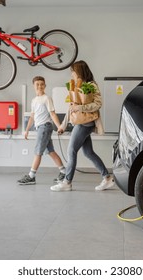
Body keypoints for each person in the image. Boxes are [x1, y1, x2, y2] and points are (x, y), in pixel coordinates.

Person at [50, 60, 115, 192]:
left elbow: (98, 104)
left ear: (79, 71)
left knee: (71, 151)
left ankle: (67, 182)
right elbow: (71, 108)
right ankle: (107, 178)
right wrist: (63, 125)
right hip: (79, 122)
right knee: (88, 152)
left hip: (86, 123)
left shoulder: (91, 85)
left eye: (73, 71)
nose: (72, 74)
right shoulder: (76, 86)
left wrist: (81, 107)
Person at [18, 76, 66, 185]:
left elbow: (52, 113)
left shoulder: (46, 98)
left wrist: (59, 126)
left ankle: (31, 176)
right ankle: (64, 172)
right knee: (50, 151)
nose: (40, 86)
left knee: (37, 152)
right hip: (40, 127)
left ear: (45, 85)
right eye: (37, 84)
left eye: (42, 84)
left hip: (45, 127)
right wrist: (27, 130)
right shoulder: (34, 100)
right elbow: (32, 117)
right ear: (33, 86)